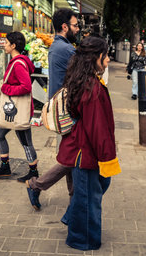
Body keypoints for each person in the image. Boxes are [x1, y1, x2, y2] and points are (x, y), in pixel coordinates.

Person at [57, 36, 121, 250]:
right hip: (85, 152)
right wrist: (107, 158)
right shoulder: (92, 87)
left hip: (83, 147)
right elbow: (98, 129)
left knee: (94, 190)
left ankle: (72, 217)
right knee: (88, 198)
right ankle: (81, 238)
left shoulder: (84, 79)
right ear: (96, 57)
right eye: (106, 55)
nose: (108, 60)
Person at [25, 8, 80, 208]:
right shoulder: (67, 50)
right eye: (75, 25)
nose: (78, 29)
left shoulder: (57, 46)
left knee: (71, 155)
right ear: (65, 27)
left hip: (62, 108)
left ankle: (73, 197)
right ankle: (36, 185)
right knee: (71, 156)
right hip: (67, 111)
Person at [0, 32, 39, 183]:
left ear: (13, 46)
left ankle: (34, 172)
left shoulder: (18, 64)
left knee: (25, 142)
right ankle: (5, 167)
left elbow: (26, 87)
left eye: (6, 43)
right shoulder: (17, 61)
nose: (4, 45)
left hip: (19, 110)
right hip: (14, 110)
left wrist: (7, 89)